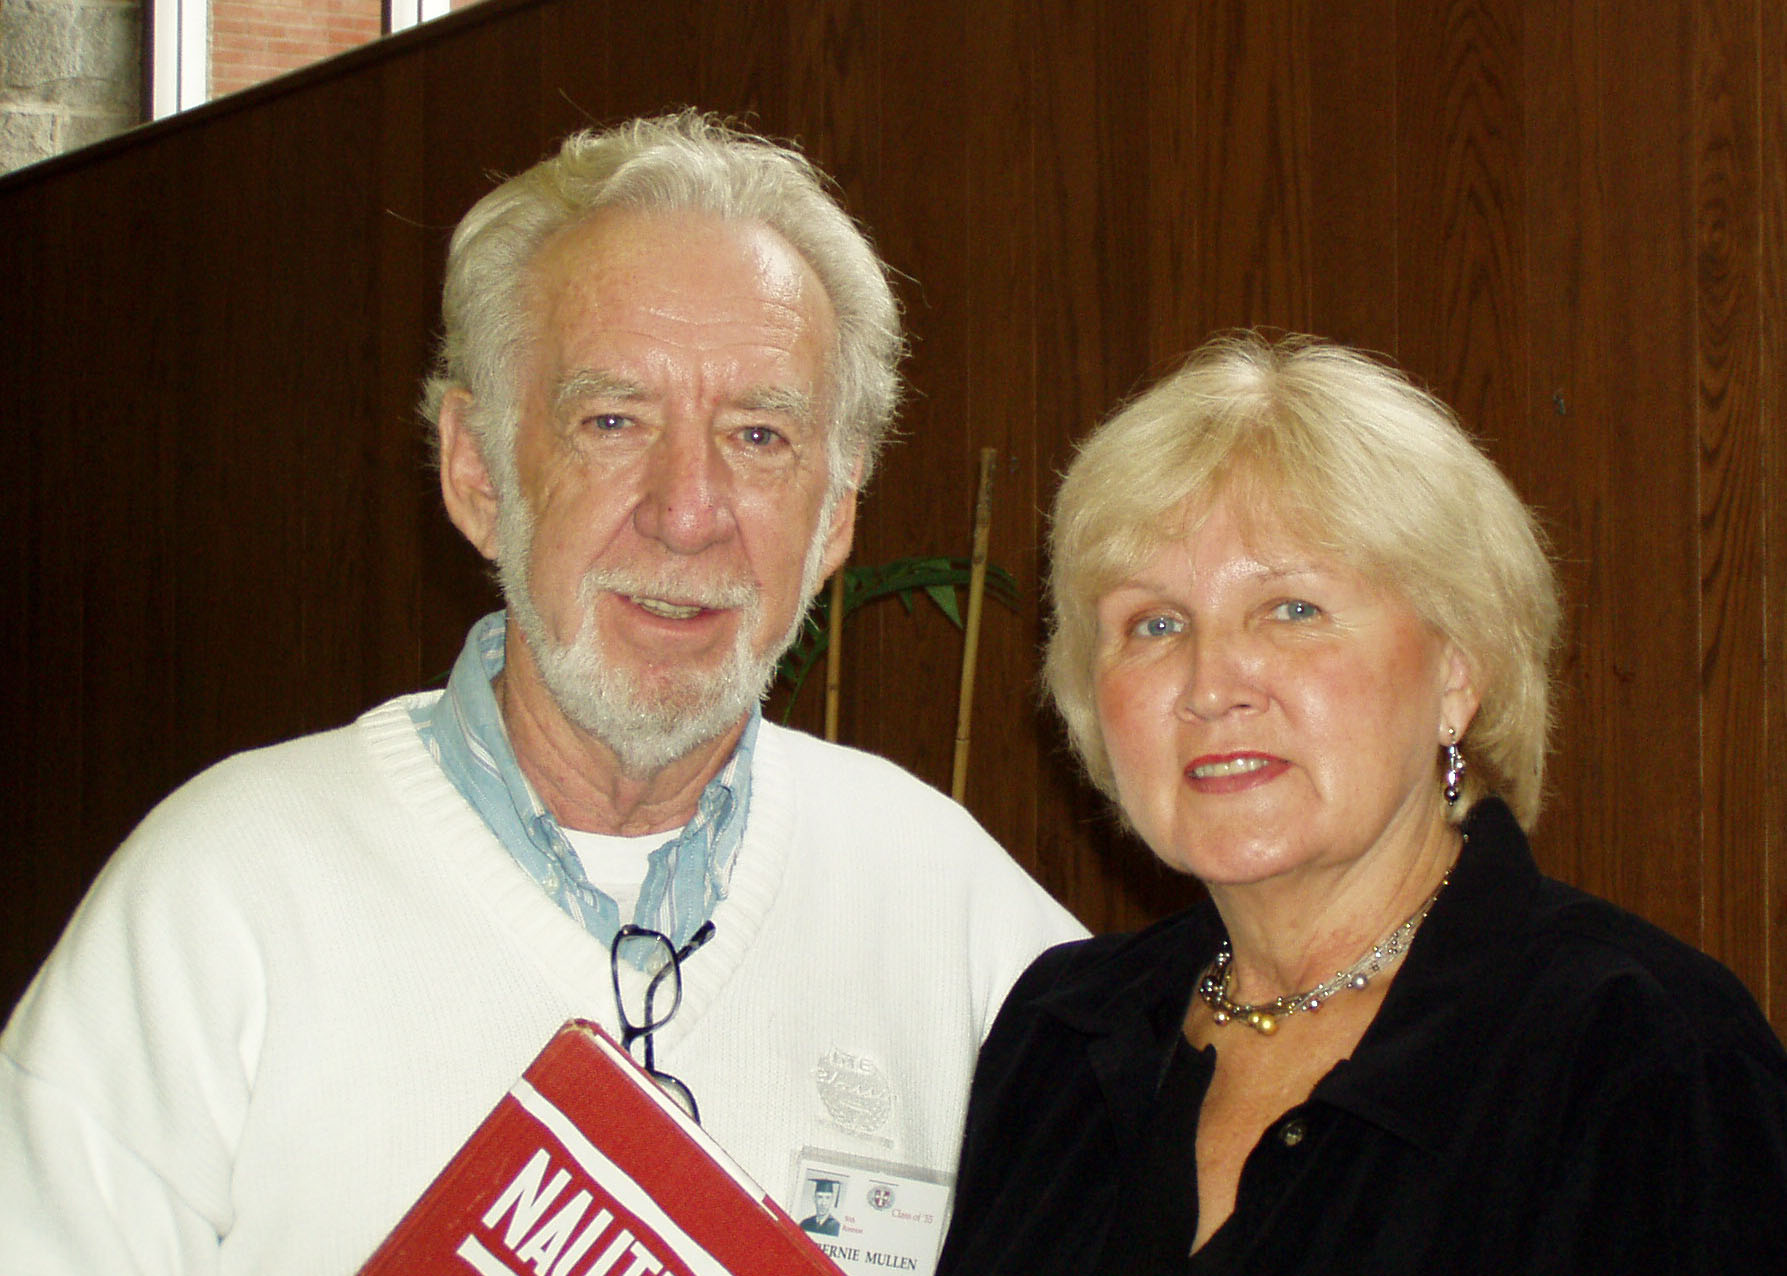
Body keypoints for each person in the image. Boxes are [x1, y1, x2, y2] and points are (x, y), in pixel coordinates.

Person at [0, 113, 1083, 1274]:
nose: (687, 512)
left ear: (837, 512)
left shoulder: (954, 911)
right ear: (476, 469)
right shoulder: (225, 896)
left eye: (759, 435)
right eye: (612, 422)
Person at [935, 332, 1787, 1275]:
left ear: (1457, 670)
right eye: (1155, 623)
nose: (1210, 686)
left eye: (1292, 610)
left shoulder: (1644, 1050)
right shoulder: (1059, 1031)